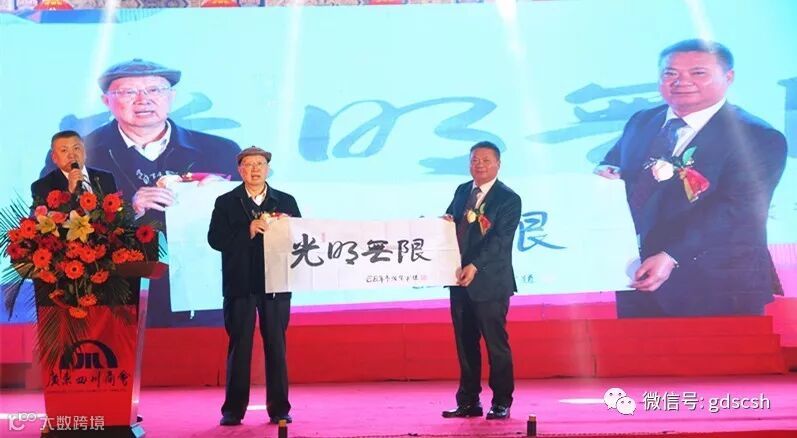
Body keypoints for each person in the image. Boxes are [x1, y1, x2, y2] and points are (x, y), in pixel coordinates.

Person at [40, 58, 242, 326]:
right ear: (106, 101)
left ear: (171, 97)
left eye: (154, 90)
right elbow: (47, 221)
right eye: (128, 92)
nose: (143, 100)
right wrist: (126, 210)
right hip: (111, 298)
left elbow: (248, 217)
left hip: (201, 296)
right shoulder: (76, 156)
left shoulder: (220, 151)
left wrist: (222, 198)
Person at [595, 39, 787, 318]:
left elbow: (737, 210)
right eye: (670, 73)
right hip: (636, 274)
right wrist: (607, 172)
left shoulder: (756, 136)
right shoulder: (643, 120)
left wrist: (671, 255)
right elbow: (615, 161)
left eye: (698, 73)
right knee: (638, 347)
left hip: (718, 285)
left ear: (729, 77)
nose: (681, 81)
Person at [207, 147, 300, 427]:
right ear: (240, 170)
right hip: (240, 283)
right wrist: (247, 230)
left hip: (276, 283)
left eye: (260, 164)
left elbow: (299, 238)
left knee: (276, 345)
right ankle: (233, 410)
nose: (255, 169)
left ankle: (279, 409)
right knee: (240, 346)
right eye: (248, 164)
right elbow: (215, 240)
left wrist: (287, 228)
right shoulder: (226, 202)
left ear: (268, 168)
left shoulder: (285, 200)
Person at [442, 141, 521, 420]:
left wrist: (475, 265)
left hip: (490, 282)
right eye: (475, 160)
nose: (480, 165)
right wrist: (443, 223)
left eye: (486, 160)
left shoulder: (508, 199)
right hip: (459, 279)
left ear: (498, 164)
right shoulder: (463, 190)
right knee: (465, 344)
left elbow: (500, 241)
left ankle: (501, 401)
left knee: (495, 345)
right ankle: (468, 401)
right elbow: (451, 223)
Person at [32, 130, 117, 201]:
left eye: (76, 148)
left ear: (84, 152)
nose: (72, 155)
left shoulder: (106, 178)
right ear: (54, 157)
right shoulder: (41, 187)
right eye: (64, 150)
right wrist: (71, 191)